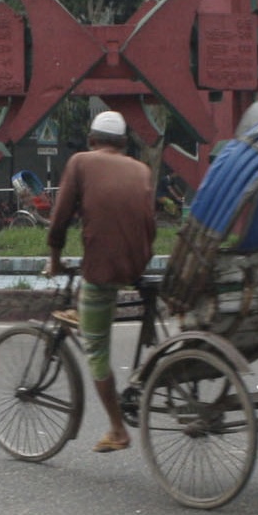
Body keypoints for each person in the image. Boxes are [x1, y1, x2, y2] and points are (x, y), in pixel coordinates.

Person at [46, 110, 157, 453]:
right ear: (123, 144)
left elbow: (60, 217)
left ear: (92, 141)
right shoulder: (141, 169)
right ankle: (86, 313)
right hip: (136, 265)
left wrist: (54, 258)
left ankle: (117, 429)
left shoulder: (81, 162)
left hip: (102, 271)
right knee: (97, 291)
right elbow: (149, 225)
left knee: (95, 350)